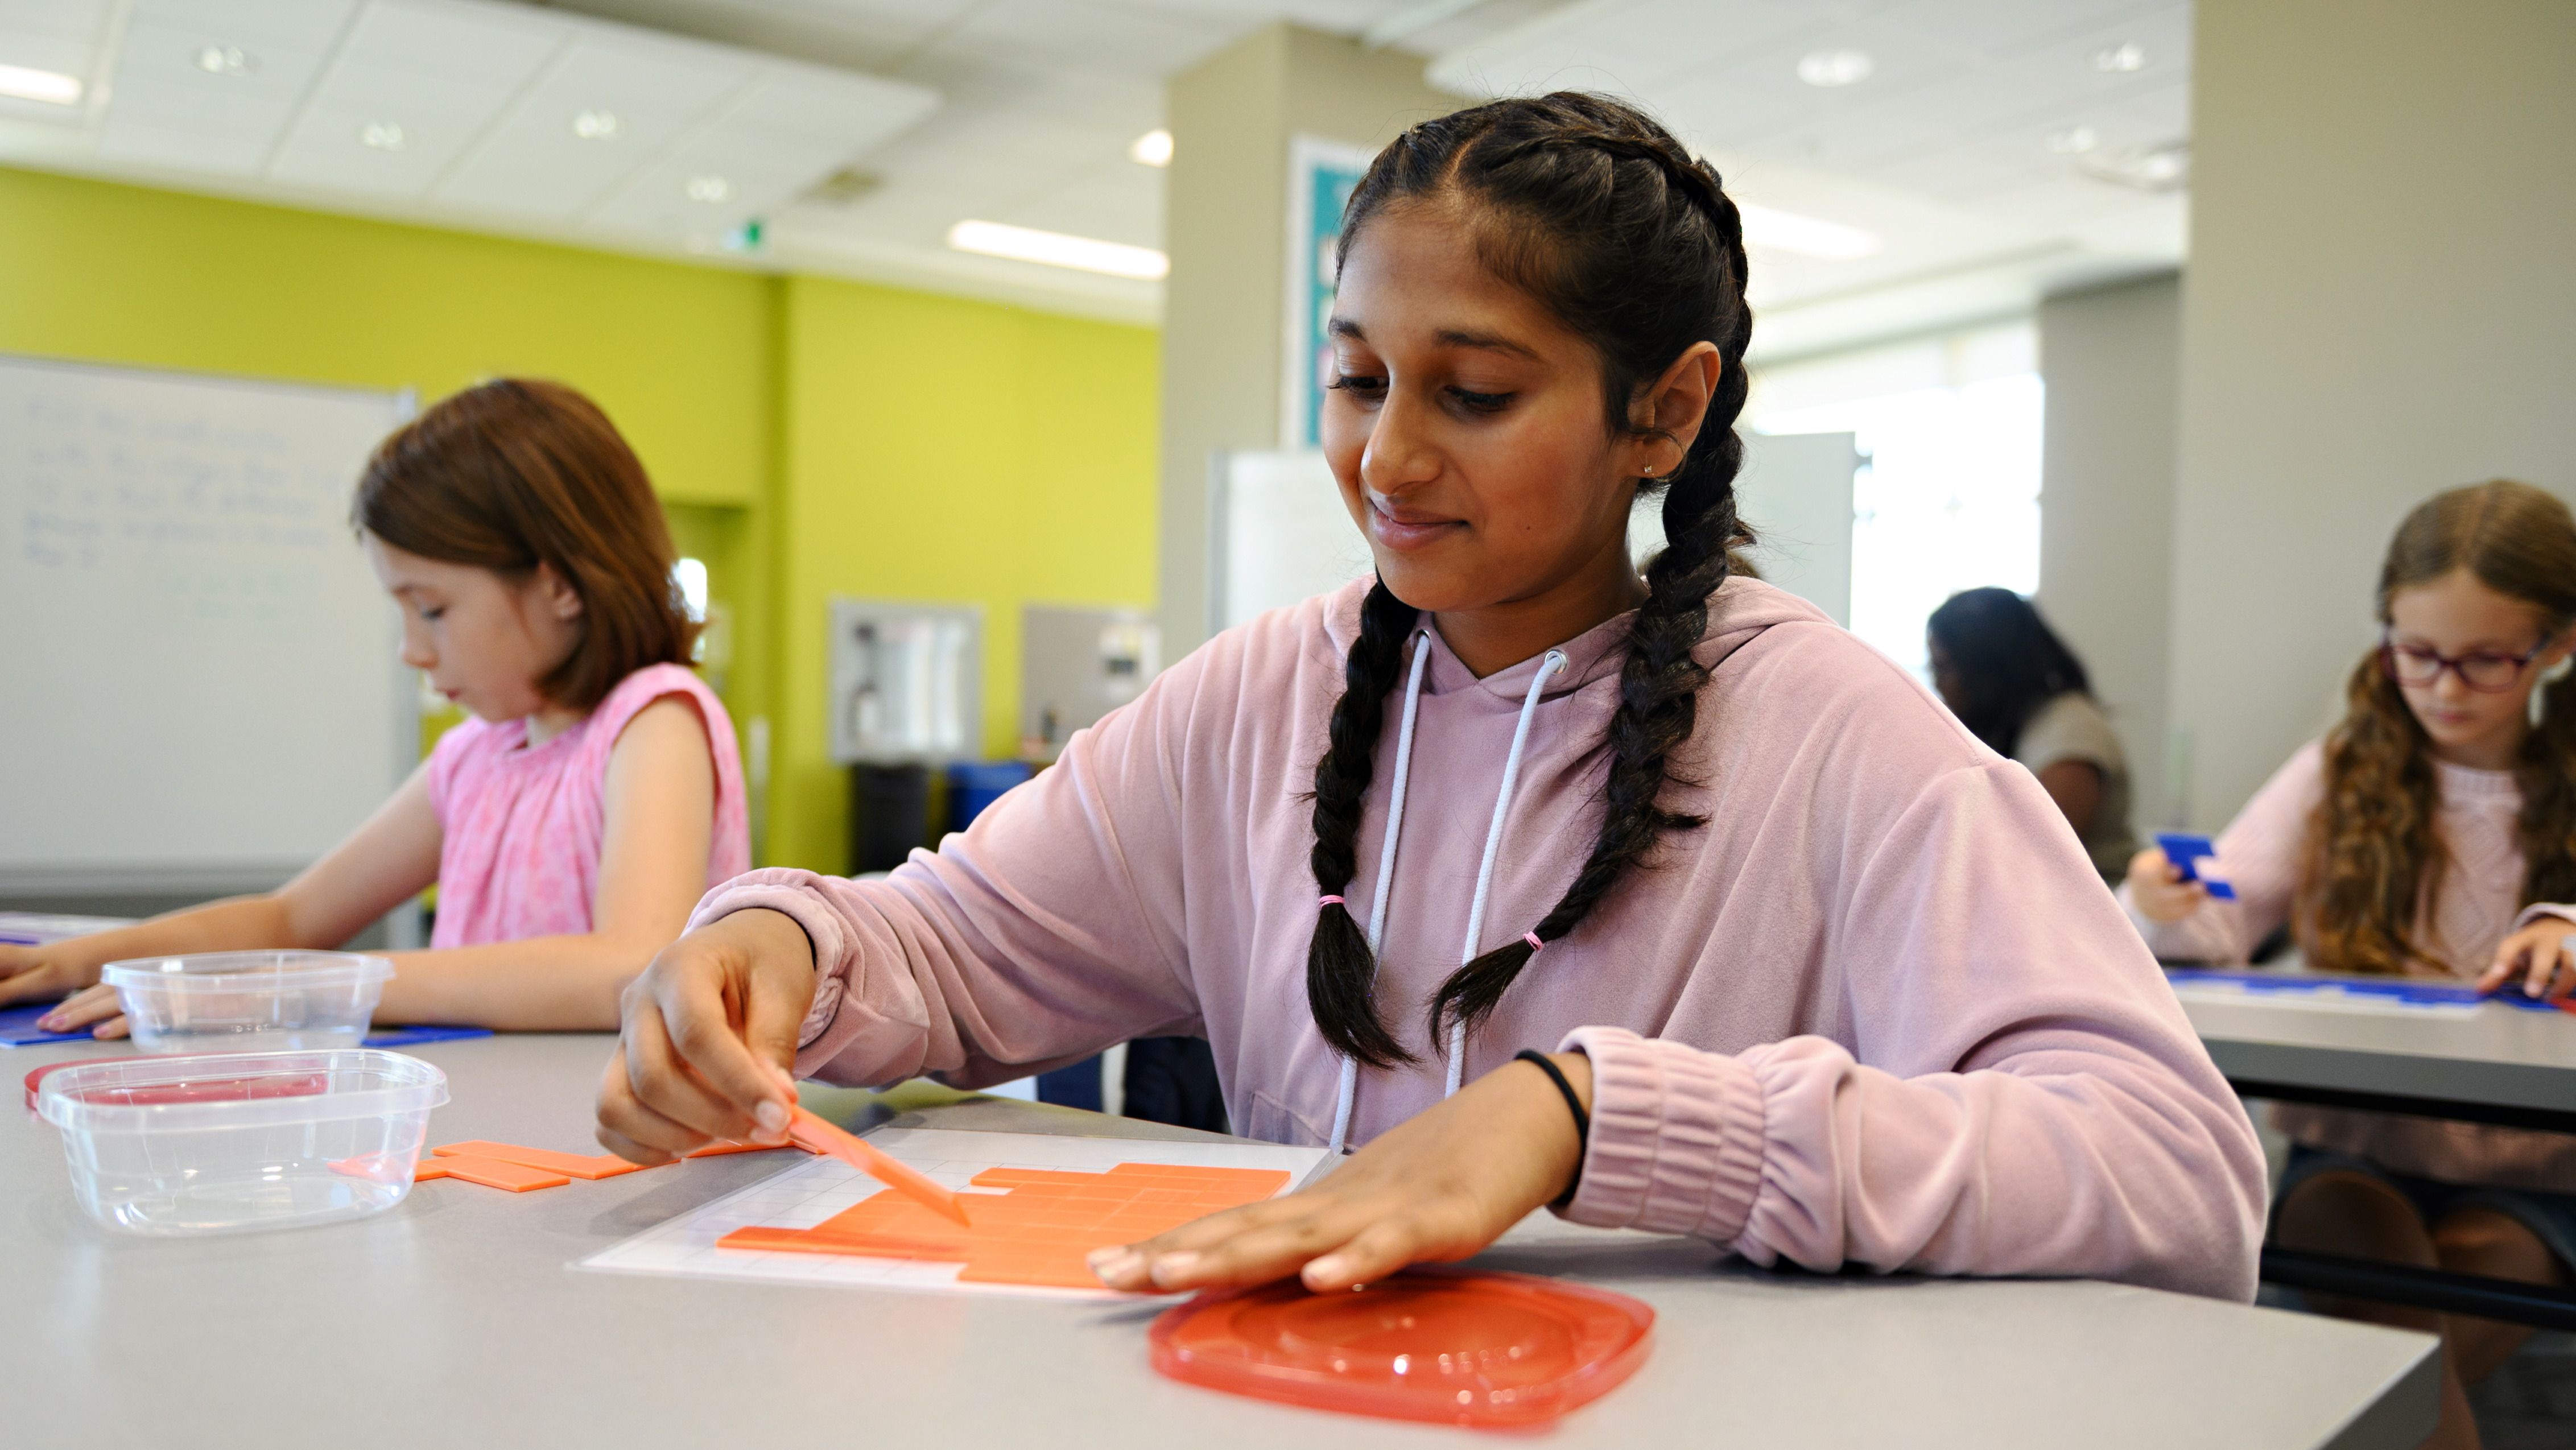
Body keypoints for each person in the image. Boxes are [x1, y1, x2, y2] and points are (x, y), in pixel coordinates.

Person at [596, 93, 2261, 1308]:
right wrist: (784, 953)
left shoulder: (1841, 739)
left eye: (1472, 392)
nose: (1386, 459)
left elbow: (2173, 1169)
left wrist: (1594, 1118)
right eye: (1356, 377)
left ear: (1664, 413)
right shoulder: (1267, 693)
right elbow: (959, 943)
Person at [2124, 479, 2576, 1450]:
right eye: (2412, 648)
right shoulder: (2342, 763)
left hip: (2532, 1179)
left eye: (2485, 659)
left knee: (2376, 1390)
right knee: (2382, 1320)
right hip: (2357, 1159)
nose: (2439, 684)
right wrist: (2157, 903)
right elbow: (2216, 918)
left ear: (2557, 646)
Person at [0, 378, 749, 1035]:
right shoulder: (475, 756)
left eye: (431, 609)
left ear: (560, 587)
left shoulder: (653, 722)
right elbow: (290, 919)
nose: (411, 651)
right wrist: (81, 962)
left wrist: (302, 989)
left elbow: (625, 966)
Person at [1927, 586, 2139, 882]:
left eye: (1943, 668)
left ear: (1985, 669)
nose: (1938, 685)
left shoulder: (2069, 735)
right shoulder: (2027, 724)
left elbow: (2029, 857)